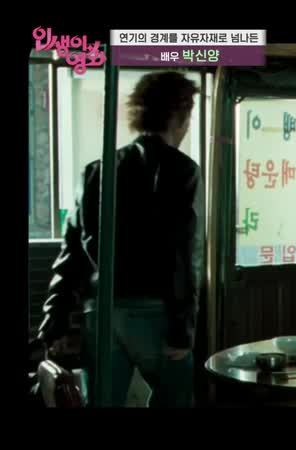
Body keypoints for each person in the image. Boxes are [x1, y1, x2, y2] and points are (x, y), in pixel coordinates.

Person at [38, 71, 204, 407]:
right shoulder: (181, 170)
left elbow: (71, 252)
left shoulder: (95, 171)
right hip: (155, 313)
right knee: (175, 398)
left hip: (101, 314)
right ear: (180, 116)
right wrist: (182, 328)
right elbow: (183, 253)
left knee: (102, 400)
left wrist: (54, 321)